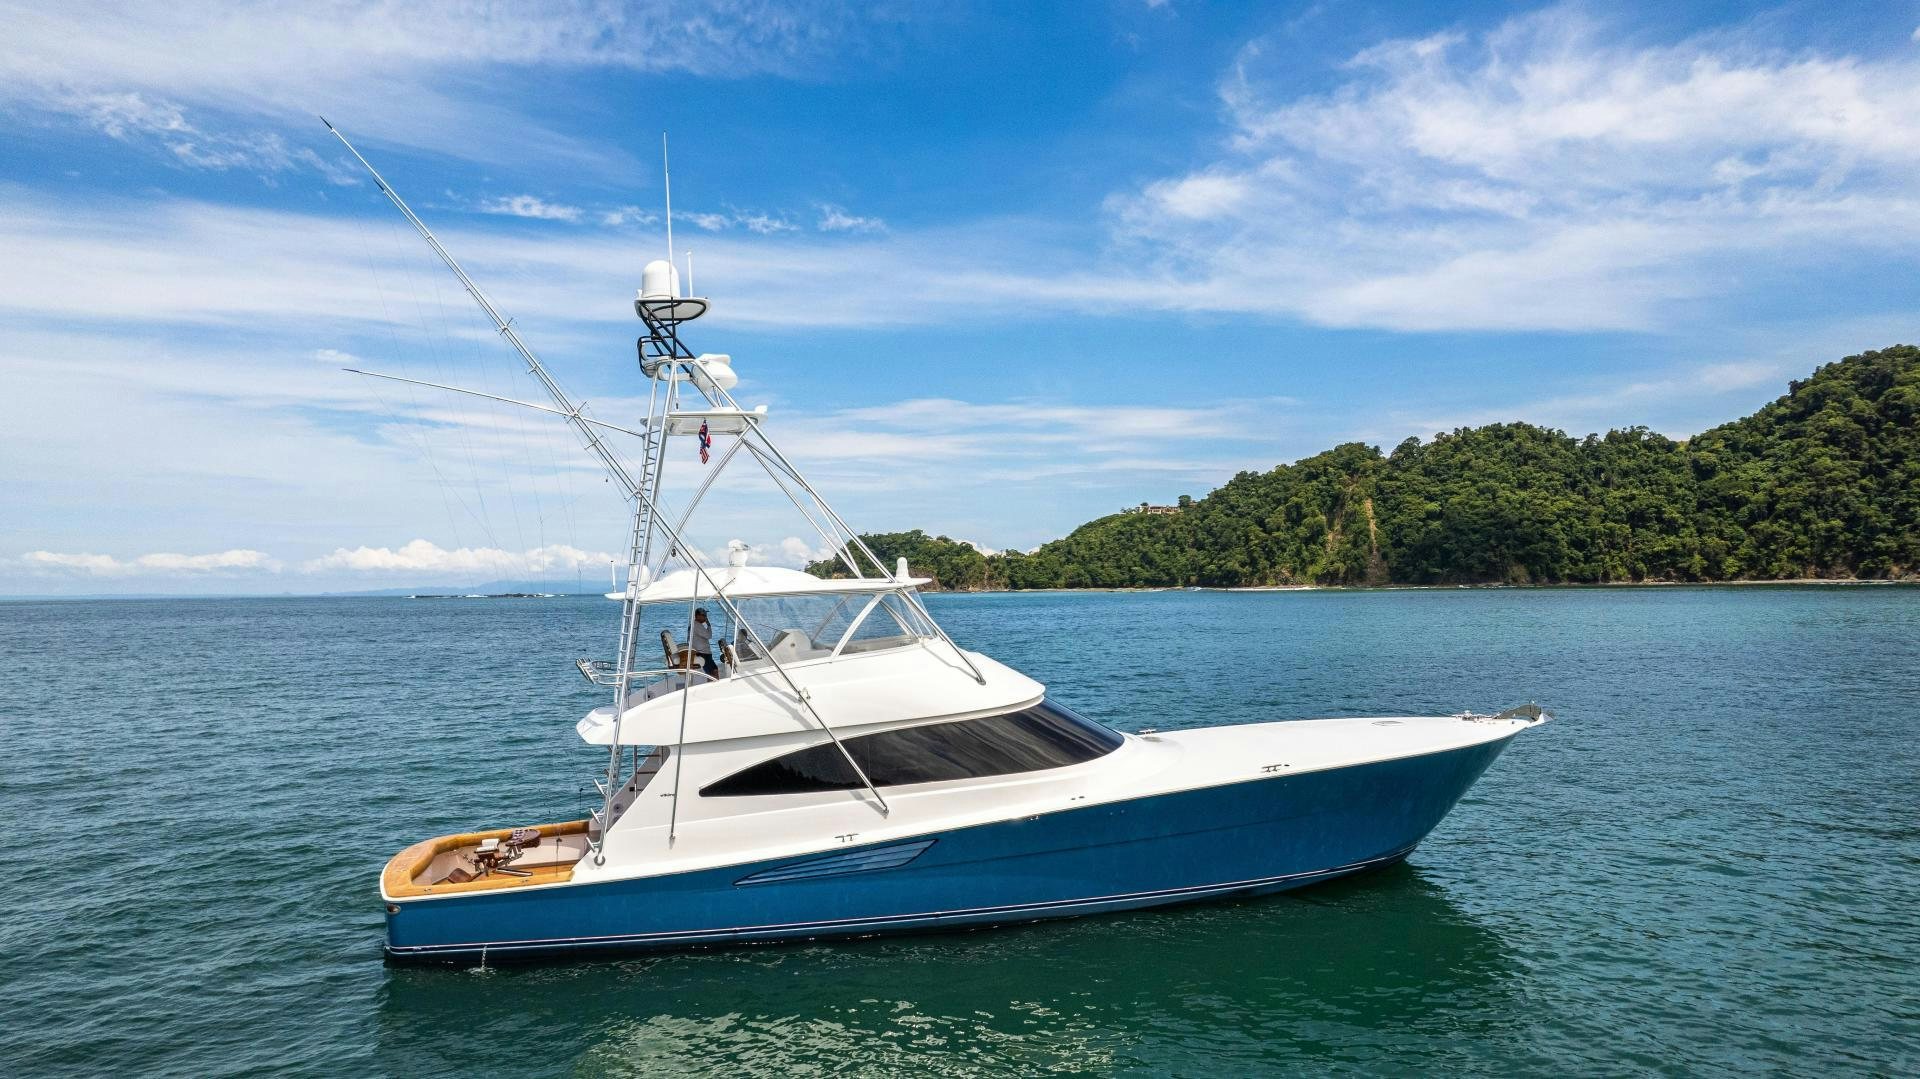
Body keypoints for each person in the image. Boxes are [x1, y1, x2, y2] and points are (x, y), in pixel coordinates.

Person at [689, 608, 719, 678]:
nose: (706, 617)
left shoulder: (696, 625)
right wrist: (708, 625)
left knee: (712, 671)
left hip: (703, 652)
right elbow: (709, 635)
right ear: (698, 616)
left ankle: (712, 685)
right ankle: (713, 686)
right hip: (703, 653)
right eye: (704, 615)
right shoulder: (697, 625)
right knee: (713, 672)